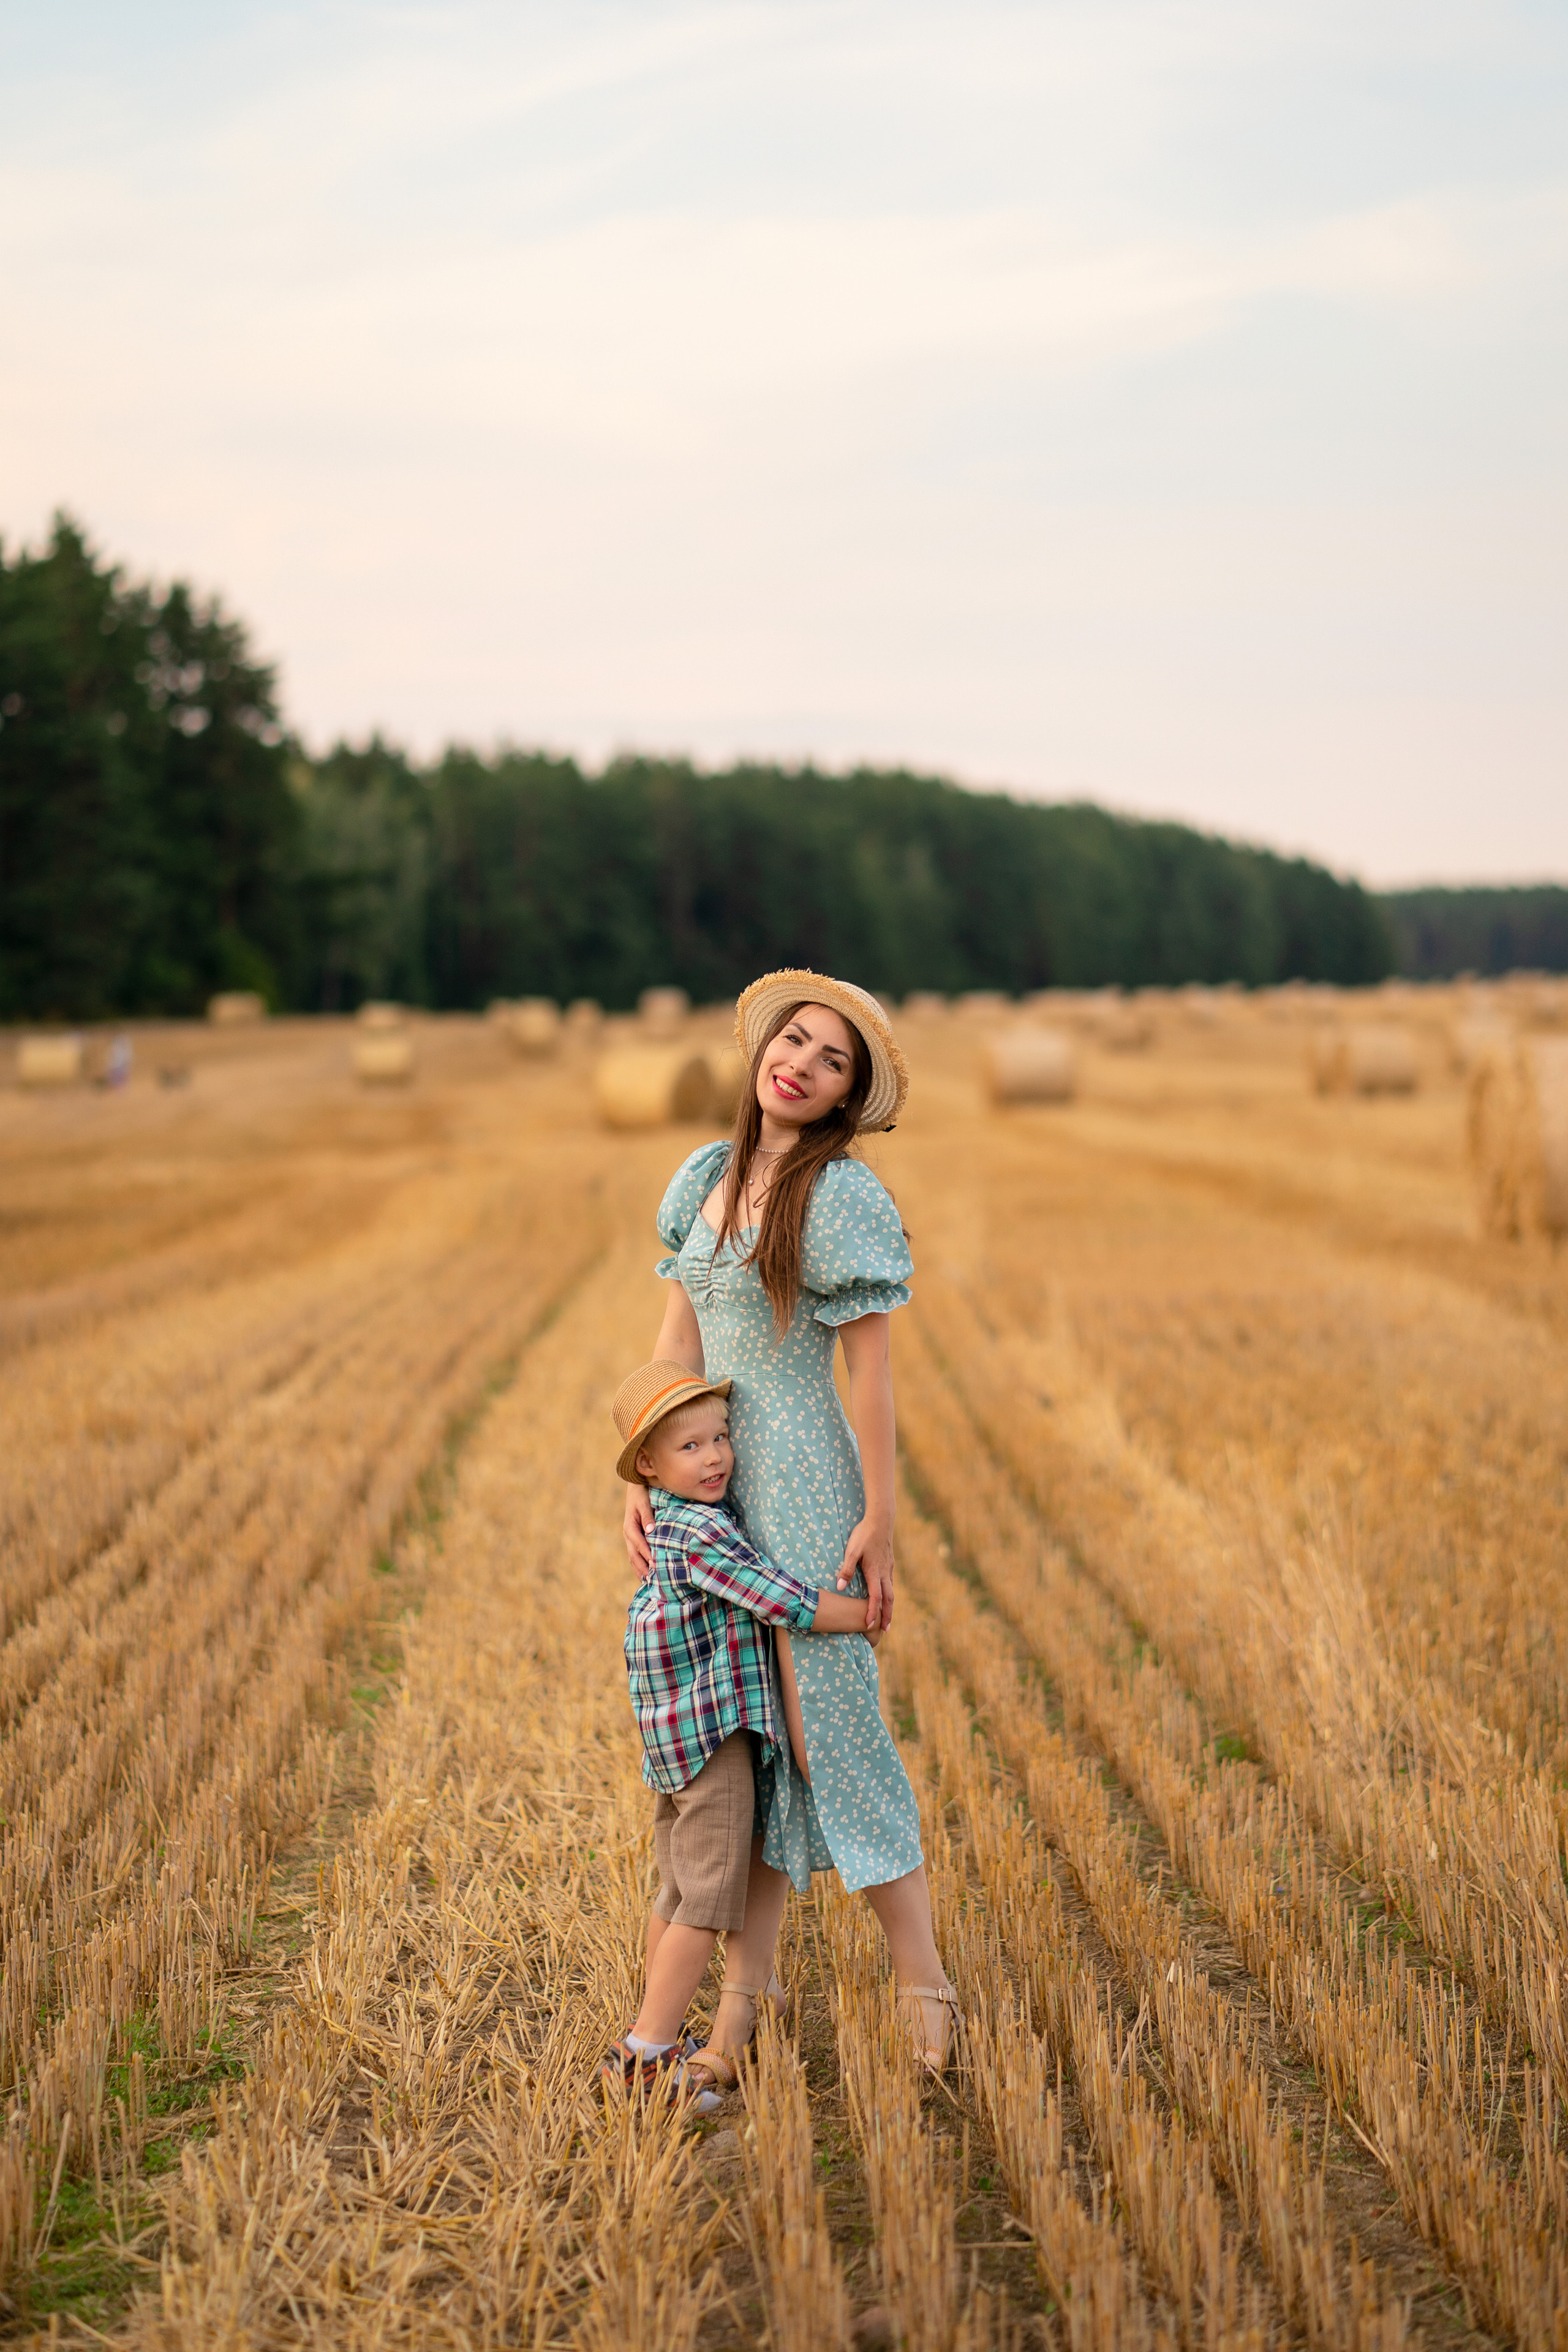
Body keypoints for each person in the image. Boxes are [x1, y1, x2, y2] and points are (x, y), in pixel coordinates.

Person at [622, 969, 958, 2070]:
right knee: (749, 1753)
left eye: (832, 1062)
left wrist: (881, 1518)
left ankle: (927, 1987)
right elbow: (676, 1346)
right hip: (710, 1491)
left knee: (833, 1739)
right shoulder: (703, 1177)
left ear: (847, 1096)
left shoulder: (843, 1198)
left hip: (807, 1489)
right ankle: (734, 2017)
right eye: (796, 1042)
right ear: (764, 1044)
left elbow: (872, 1380)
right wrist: (644, 1474)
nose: (801, 1066)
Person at [605, 1358, 882, 2107]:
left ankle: (650, 2041)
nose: (717, 1456)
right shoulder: (700, 1535)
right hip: (712, 1742)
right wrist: (865, 1615)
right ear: (650, 1469)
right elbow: (779, 1599)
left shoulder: (680, 1523)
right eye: (690, 1448)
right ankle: (646, 2052)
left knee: (674, 1895)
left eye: (721, 1437)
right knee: (704, 1901)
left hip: (677, 1742)